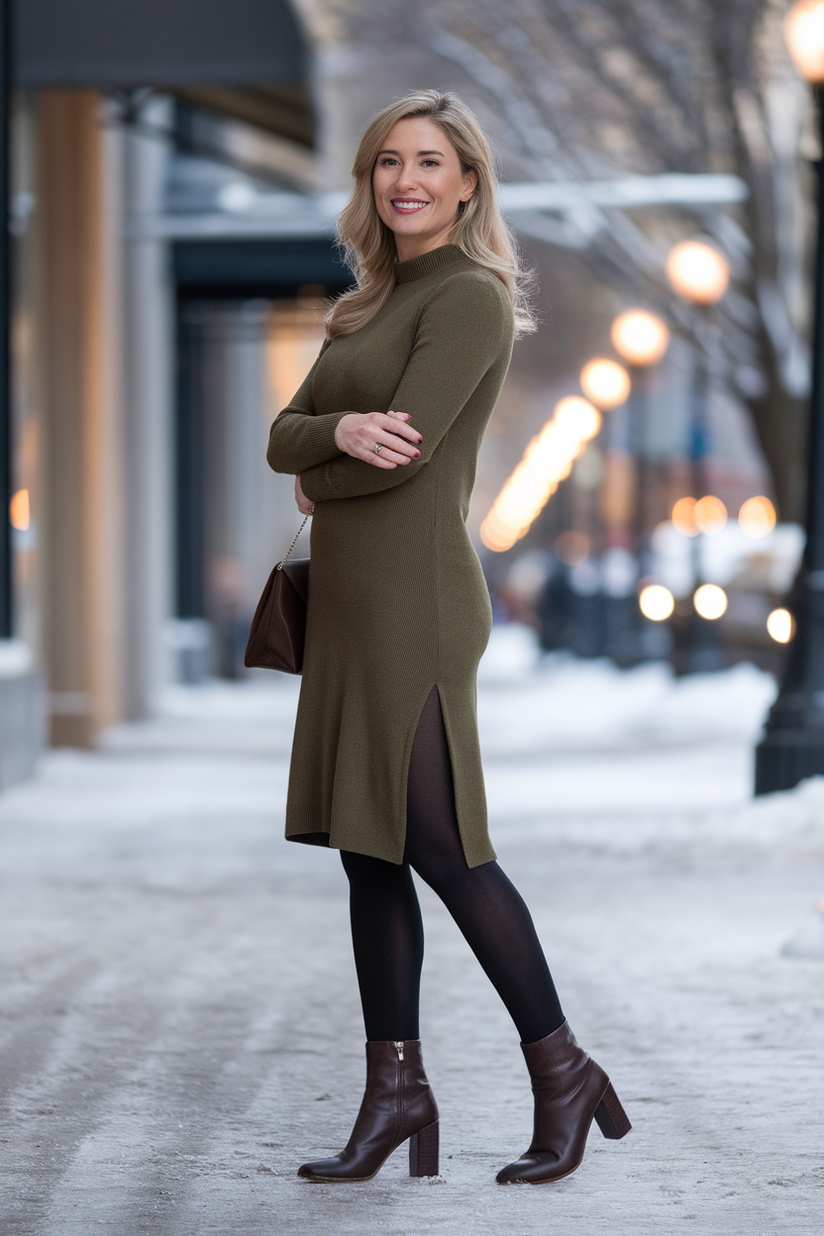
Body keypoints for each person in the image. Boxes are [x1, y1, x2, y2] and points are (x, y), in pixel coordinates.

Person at [266, 89, 630, 1186]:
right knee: (365, 850)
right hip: (349, 608)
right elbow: (287, 439)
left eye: (428, 161)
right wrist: (331, 441)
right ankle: (395, 1091)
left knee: (445, 848)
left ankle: (562, 1070)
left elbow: (404, 455)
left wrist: (323, 462)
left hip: (417, 604)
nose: (404, 179)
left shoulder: (466, 295)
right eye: (387, 161)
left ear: (468, 181)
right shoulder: (365, 305)